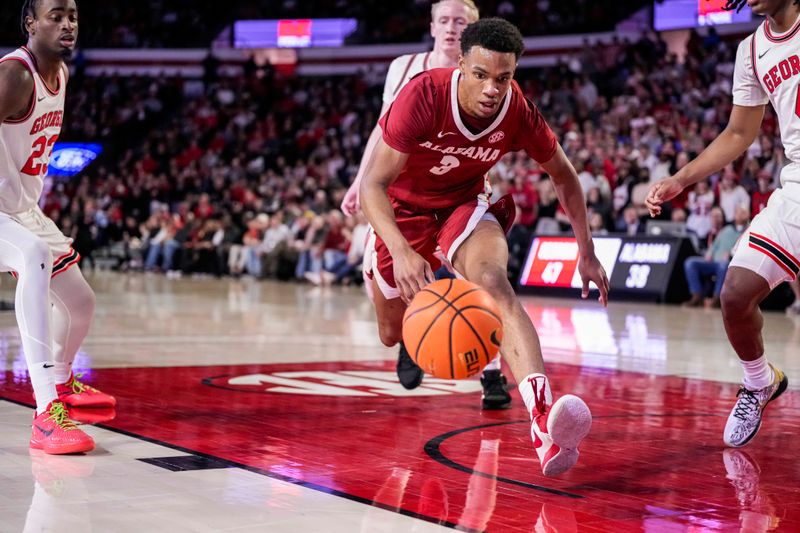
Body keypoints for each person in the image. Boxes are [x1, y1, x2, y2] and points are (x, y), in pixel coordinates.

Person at [360, 18, 609, 476]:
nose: (492, 88)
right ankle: (405, 324)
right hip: (403, 214)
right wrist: (398, 248)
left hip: (464, 205)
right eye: (481, 75)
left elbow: (565, 175)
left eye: (504, 77)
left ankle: (543, 426)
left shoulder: (518, 111)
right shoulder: (422, 95)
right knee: (392, 334)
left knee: (496, 284)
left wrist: (586, 250)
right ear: (460, 66)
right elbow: (372, 186)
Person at [343, 1, 513, 409]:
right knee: (395, 301)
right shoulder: (405, 68)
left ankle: (493, 375)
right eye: (445, 20)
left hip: (459, 193)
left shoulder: (484, 77)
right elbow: (381, 129)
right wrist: (359, 181)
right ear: (432, 25)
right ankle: (413, 332)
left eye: (461, 22)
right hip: (405, 196)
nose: (452, 28)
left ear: (475, 32)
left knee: (478, 279)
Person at [646, 0, 795, 448]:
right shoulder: (751, 50)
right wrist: (680, 179)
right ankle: (759, 380)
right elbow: (737, 133)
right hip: (797, 184)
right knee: (734, 294)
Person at [0, 0, 115, 455]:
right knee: (33, 256)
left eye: (73, 15)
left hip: (22, 209)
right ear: (30, 23)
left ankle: (64, 381)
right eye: (56, 16)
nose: (68, 24)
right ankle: (46, 414)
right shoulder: (16, 75)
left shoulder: (60, 73)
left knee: (81, 302)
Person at [682, 204, 749, 308]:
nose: (740, 215)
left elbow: (747, 250)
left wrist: (731, 253)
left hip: (730, 264)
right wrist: (709, 254)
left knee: (723, 265)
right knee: (690, 262)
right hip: (713, 262)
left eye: (743, 212)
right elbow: (714, 245)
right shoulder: (726, 230)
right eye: (738, 212)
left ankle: (717, 299)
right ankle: (696, 296)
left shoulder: (749, 231)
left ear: (748, 215)